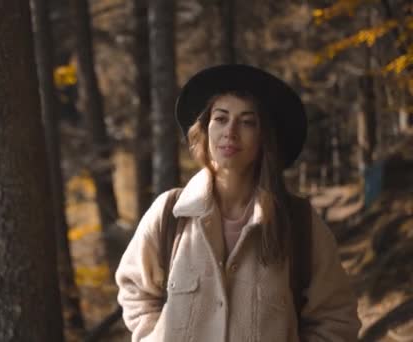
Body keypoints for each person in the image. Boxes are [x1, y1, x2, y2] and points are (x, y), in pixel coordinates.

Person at [115, 64, 361, 342]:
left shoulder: (299, 222)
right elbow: (135, 290)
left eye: (247, 122)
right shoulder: (169, 214)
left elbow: (337, 317)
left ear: (264, 137)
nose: (230, 132)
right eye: (220, 119)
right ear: (205, 129)